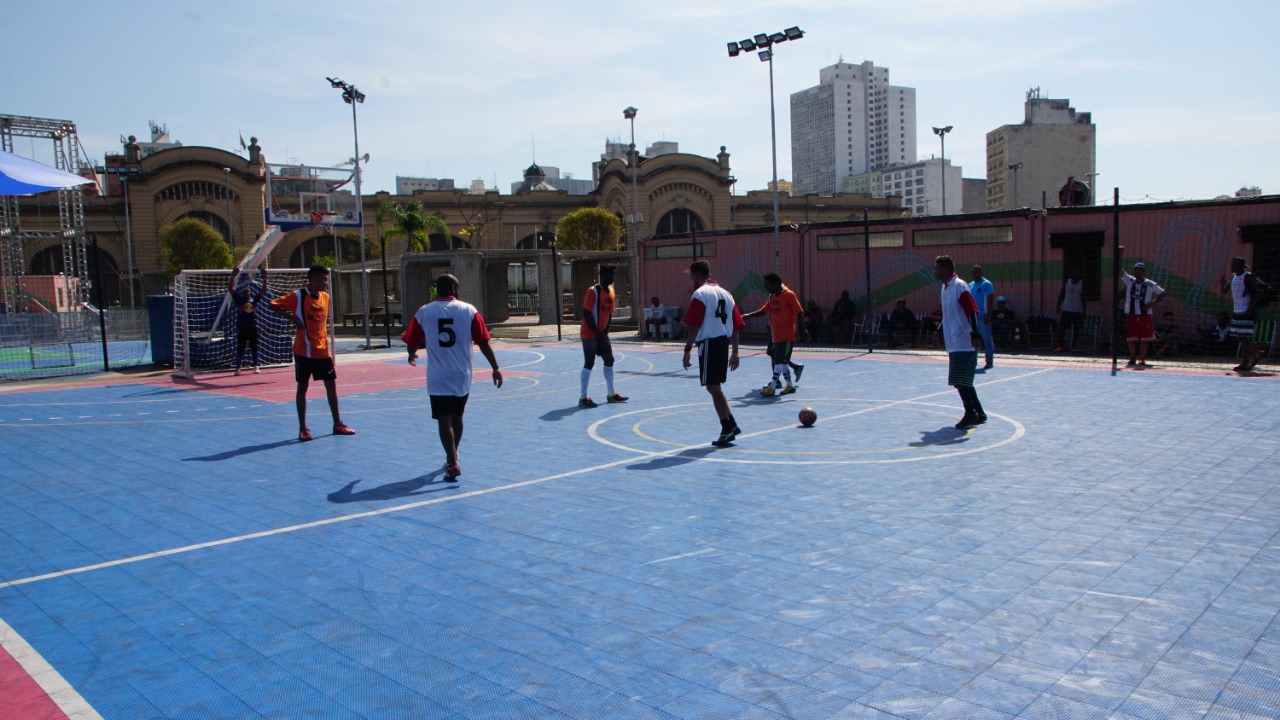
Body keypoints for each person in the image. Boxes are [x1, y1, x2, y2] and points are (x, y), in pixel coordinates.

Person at [403, 274, 503, 481]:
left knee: (443, 420)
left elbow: (412, 337)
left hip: (438, 376)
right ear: (454, 288)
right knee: (458, 417)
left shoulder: (425, 311)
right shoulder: (469, 310)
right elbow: (483, 341)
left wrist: (411, 353)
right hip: (462, 374)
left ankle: (451, 461)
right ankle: (454, 455)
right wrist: (495, 367)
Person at [268, 265, 355, 441]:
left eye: (327, 279)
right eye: (323, 279)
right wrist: (293, 318)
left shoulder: (325, 297)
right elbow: (273, 304)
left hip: (322, 350)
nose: (326, 282)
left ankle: (338, 424)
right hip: (303, 351)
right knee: (303, 387)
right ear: (313, 279)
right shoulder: (298, 296)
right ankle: (303, 429)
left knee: (331, 386)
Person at [682, 261, 745, 447]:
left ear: (696, 275)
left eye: (691, 275)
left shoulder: (700, 294)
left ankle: (726, 428)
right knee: (715, 386)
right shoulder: (727, 294)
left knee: (712, 387)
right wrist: (735, 351)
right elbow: (736, 325)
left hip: (709, 342)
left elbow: (694, 324)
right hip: (722, 343)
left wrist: (687, 349)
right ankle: (731, 424)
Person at [935, 255, 987, 429]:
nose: (935, 272)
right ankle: (979, 412)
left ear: (945, 269)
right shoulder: (945, 287)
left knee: (961, 381)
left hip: (964, 340)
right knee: (963, 380)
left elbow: (972, 311)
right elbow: (950, 313)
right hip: (953, 340)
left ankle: (970, 413)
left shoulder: (959, 286)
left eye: (937, 268)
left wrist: (975, 334)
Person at [741, 271, 808, 396]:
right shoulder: (772, 296)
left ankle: (772, 387)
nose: (766, 288)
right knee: (782, 362)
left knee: (778, 362)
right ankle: (790, 386)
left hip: (786, 336)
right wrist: (747, 316)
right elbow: (763, 311)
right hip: (775, 335)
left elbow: (799, 313)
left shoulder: (789, 295)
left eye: (768, 285)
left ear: (776, 283)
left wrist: (802, 330)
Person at [578, 264, 627, 407]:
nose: (613, 277)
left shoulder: (611, 292)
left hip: (601, 334)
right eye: (611, 274)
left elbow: (610, 313)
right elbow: (587, 313)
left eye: (614, 275)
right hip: (589, 333)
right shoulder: (593, 291)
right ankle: (583, 397)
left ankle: (611, 394)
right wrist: (597, 332)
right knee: (589, 362)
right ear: (602, 275)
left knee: (609, 359)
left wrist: (605, 333)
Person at [1219, 256, 1269, 372]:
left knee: (1243, 337)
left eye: (1234, 264)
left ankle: (1246, 362)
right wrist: (1222, 283)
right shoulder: (1233, 277)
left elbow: (1261, 290)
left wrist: (1251, 307)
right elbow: (1224, 291)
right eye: (1231, 264)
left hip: (1246, 311)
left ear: (1241, 266)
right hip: (1237, 311)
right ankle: (1256, 353)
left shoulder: (1248, 276)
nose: (1231, 266)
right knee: (1240, 337)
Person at [1117, 254, 1167, 366]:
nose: (1138, 272)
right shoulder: (1130, 281)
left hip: (1145, 315)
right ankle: (1132, 356)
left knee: (1145, 338)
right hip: (1132, 314)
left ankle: (1142, 357)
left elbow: (1163, 293)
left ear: (1143, 272)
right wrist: (1120, 253)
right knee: (1130, 337)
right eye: (1136, 270)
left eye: (1140, 270)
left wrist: (1152, 303)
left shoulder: (1150, 284)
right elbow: (1119, 270)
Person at [228, 267, 268, 376]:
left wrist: (264, 278)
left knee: (254, 346)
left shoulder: (253, 299)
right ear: (242, 292)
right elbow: (230, 289)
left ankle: (256, 365)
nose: (248, 292)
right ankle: (238, 367)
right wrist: (232, 276)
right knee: (240, 347)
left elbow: (263, 291)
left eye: (248, 290)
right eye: (246, 291)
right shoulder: (239, 299)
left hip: (252, 326)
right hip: (242, 326)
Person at [969, 265, 996, 368]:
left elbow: (990, 300)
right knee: (973, 338)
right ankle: (973, 360)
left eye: (976, 272)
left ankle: (989, 361)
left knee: (987, 338)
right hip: (973, 316)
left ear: (980, 272)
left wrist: (988, 314)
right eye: (972, 272)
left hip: (982, 315)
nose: (974, 274)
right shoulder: (970, 285)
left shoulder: (987, 284)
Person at [1055, 270, 1087, 352]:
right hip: (1066, 309)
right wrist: (1058, 306)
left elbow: (1083, 297)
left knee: (1076, 328)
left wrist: (1084, 310)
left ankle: (1073, 346)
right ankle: (1060, 345)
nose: (1076, 274)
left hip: (1077, 310)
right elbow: (1061, 294)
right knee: (1062, 328)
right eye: (1074, 273)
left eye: (1077, 273)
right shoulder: (1067, 282)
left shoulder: (1081, 283)